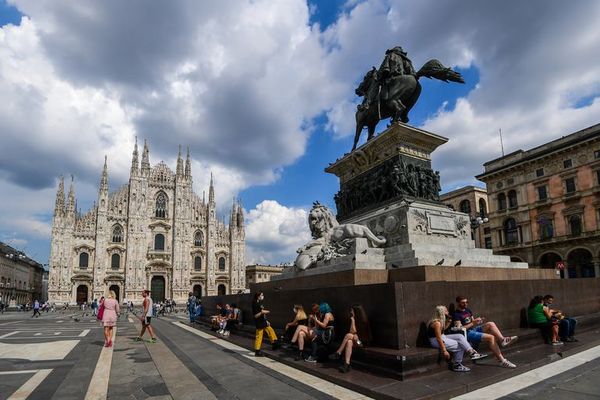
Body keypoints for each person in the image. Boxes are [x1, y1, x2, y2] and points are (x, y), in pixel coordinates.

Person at [452, 296, 517, 368]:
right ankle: (502, 361)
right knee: (491, 337)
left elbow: (473, 321)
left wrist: (478, 321)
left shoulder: (468, 310)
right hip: (466, 334)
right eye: (463, 303)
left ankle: (502, 340)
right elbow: (460, 329)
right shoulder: (456, 314)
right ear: (458, 303)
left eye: (466, 302)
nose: (465, 304)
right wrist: (473, 323)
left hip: (473, 330)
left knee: (490, 324)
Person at [428, 305, 487, 372]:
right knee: (460, 345)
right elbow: (438, 338)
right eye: (446, 311)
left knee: (460, 336)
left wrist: (448, 322)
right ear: (442, 312)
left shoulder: (439, 321)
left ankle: (472, 352)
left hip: (442, 336)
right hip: (435, 340)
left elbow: (442, 330)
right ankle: (457, 365)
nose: (448, 312)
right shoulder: (437, 323)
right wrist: (444, 351)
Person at [330, 305, 372, 373]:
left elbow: (360, 336)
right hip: (356, 341)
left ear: (356, 312)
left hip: (362, 343)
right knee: (349, 341)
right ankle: (346, 365)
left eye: (352, 311)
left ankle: (338, 353)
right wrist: (352, 320)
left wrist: (357, 338)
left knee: (348, 335)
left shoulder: (364, 322)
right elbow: (352, 331)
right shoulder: (354, 319)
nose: (350, 312)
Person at [252, 292, 280, 357]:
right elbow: (255, 315)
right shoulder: (254, 304)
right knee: (259, 336)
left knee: (270, 330)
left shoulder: (259, 303)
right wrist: (262, 312)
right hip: (259, 322)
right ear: (258, 296)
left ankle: (274, 343)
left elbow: (262, 313)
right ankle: (257, 351)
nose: (263, 296)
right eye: (261, 295)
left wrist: (266, 320)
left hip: (263, 321)